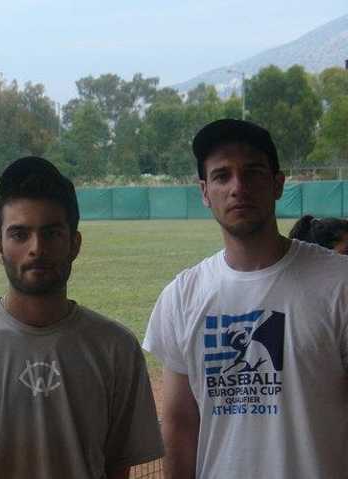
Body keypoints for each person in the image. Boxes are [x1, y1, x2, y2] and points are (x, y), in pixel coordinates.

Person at [0, 156, 164, 479]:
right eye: (19, 235)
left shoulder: (116, 348)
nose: (36, 248)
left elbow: (117, 467)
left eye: (51, 233)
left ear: (75, 244)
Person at [143, 118, 348, 478]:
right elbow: (179, 428)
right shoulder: (181, 297)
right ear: (205, 192)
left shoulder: (338, 284)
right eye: (222, 176)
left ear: (278, 183)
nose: (238, 187)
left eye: (253, 172)